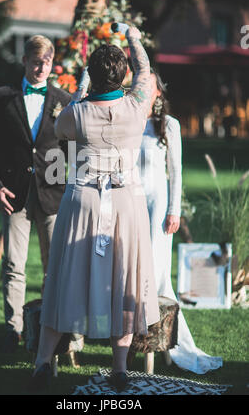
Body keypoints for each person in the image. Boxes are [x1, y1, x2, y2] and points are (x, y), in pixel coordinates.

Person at [28, 25, 160, 393]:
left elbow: (62, 125)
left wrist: (82, 87)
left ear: (93, 73)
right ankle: (119, 368)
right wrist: (134, 35)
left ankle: (42, 362)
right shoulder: (137, 108)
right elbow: (145, 72)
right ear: (124, 76)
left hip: (82, 200)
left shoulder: (78, 112)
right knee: (125, 281)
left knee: (64, 279)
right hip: (126, 204)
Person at [0, 35, 71, 353]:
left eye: (46, 62)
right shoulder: (2, 96)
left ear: (52, 62)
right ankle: (13, 329)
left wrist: (63, 186)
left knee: (54, 265)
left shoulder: (64, 98)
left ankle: (49, 328)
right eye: (35, 61)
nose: (40, 67)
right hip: (14, 193)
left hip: (52, 194)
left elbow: (69, 149)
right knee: (13, 264)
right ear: (24, 61)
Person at [138, 68, 223, 374]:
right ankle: (135, 338)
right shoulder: (128, 122)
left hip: (158, 206)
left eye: (147, 84)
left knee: (156, 276)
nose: (140, 87)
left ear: (158, 91)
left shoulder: (169, 126)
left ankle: (167, 341)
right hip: (130, 205)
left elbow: (177, 171)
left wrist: (174, 209)